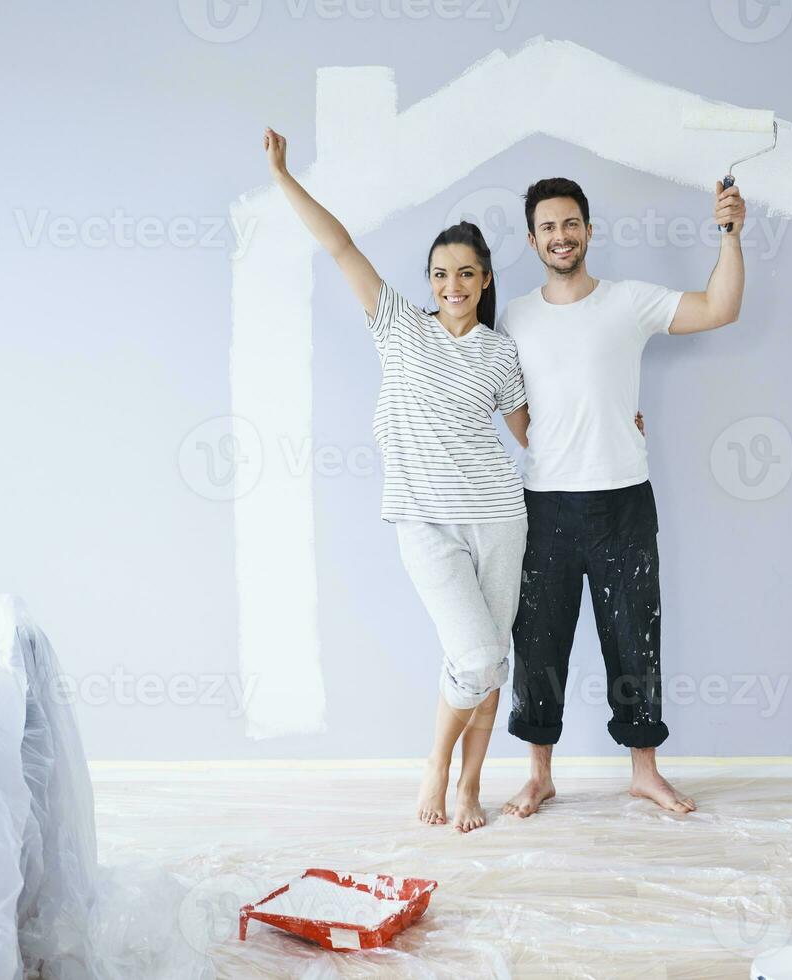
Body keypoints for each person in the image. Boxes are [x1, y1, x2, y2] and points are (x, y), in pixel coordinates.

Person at [264, 127, 531, 833]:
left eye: (467, 273)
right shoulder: (399, 328)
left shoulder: (502, 353)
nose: (453, 285)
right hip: (423, 520)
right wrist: (286, 177)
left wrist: (615, 424)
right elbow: (341, 246)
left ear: (486, 279)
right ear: (430, 282)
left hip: (500, 516)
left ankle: (473, 784)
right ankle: (437, 765)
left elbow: (531, 435)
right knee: (472, 656)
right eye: (441, 274)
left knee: (491, 662)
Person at [499, 176, 747, 817]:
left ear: (588, 229)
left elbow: (720, 307)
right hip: (546, 505)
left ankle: (644, 771)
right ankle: (539, 775)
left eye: (570, 223)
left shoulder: (629, 302)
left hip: (624, 503)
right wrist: (553, 440)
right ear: (533, 239)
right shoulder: (515, 316)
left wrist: (730, 232)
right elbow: (511, 404)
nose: (561, 235)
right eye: (548, 227)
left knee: (636, 639)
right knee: (539, 643)